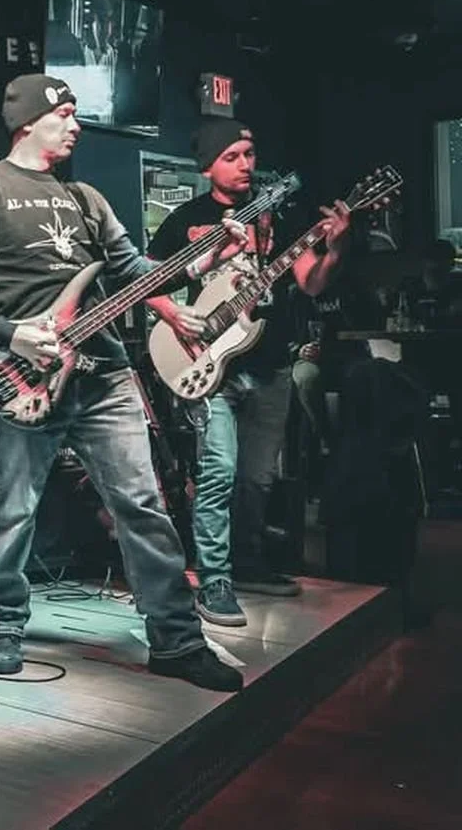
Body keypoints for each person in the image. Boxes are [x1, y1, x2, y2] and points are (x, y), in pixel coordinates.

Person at [0, 73, 242, 691]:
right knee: (13, 511)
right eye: (65, 114)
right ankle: (3, 625)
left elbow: (134, 272)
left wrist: (204, 261)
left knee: (143, 505)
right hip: (23, 376)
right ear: (28, 121)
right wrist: (10, 335)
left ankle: (176, 640)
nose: (75, 125)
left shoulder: (87, 199)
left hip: (103, 374)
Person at [145, 118, 349, 626]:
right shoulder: (186, 219)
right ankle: (214, 577)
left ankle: (248, 562)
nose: (244, 165)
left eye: (249, 154)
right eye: (231, 156)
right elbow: (145, 280)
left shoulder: (280, 215)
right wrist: (176, 315)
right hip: (210, 363)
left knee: (258, 477)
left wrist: (336, 249)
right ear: (207, 166)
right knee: (218, 471)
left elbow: (311, 283)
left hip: (270, 362)